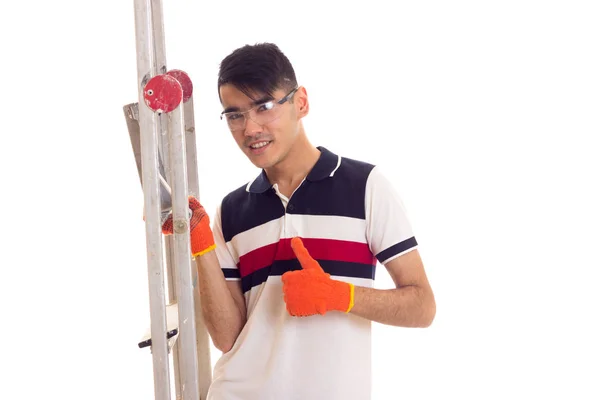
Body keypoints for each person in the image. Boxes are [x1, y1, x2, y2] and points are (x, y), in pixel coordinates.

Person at [162, 42, 436, 400]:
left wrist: (340, 295)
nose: (250, 128)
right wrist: (203, 247)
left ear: (301, 102)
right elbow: (227, 336)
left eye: (264, 107)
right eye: (235, 115)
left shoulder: (364, 187)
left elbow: (422, 306)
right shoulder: (231, 211)